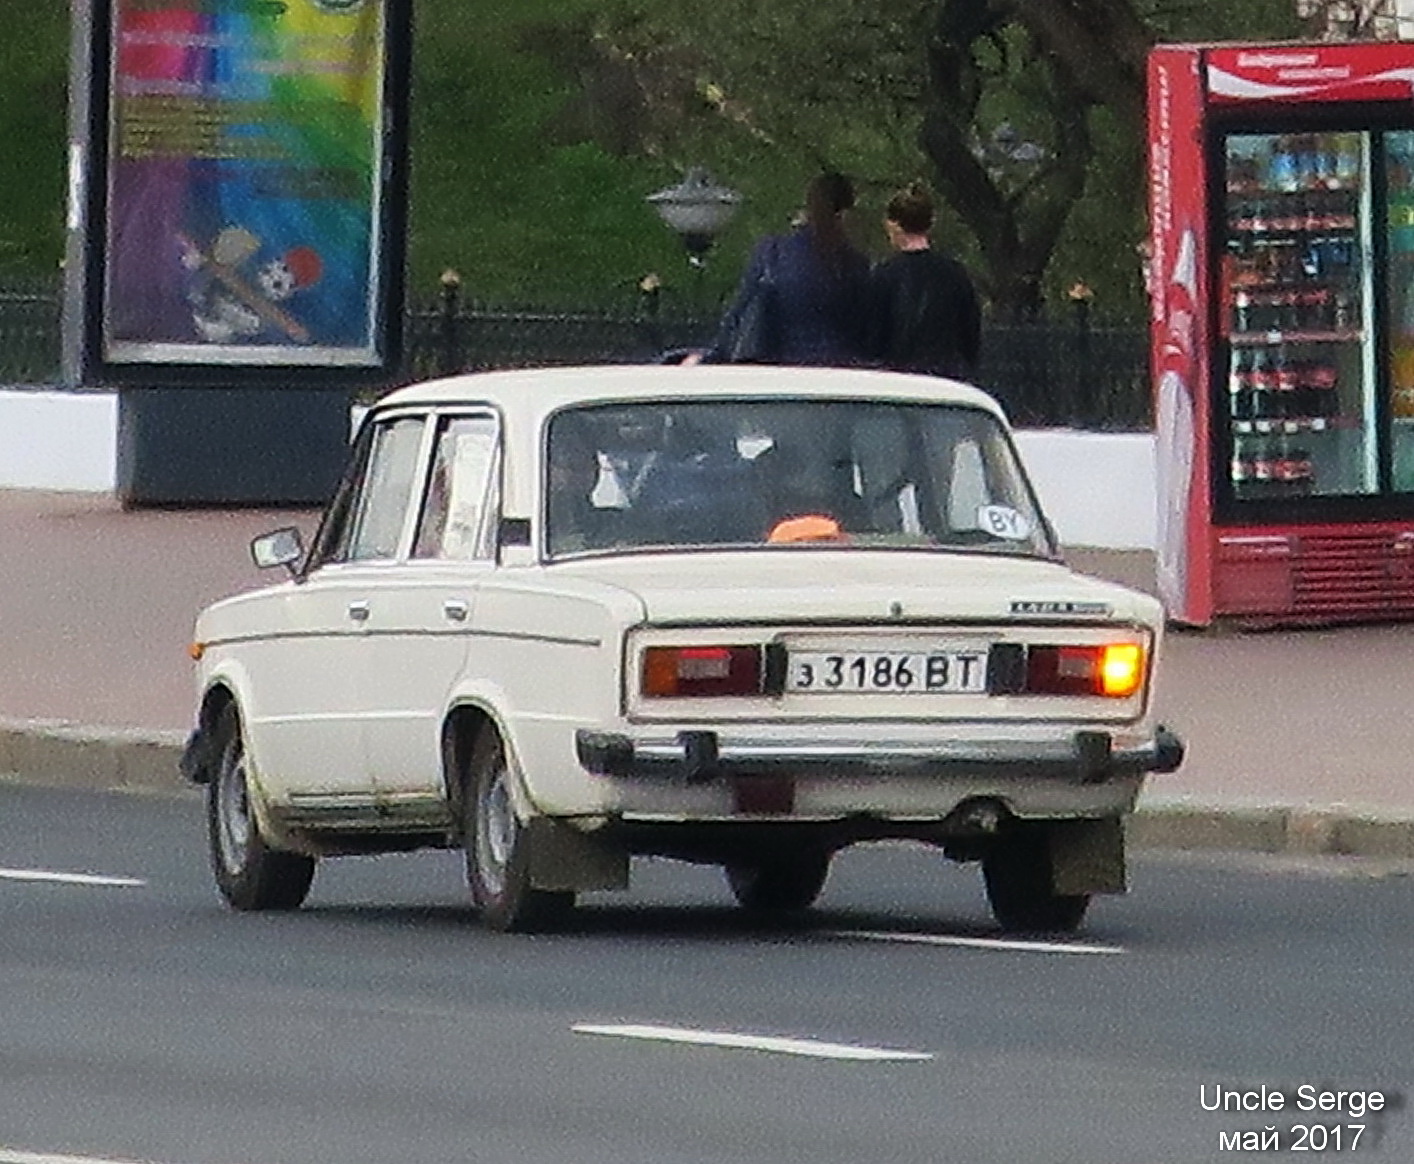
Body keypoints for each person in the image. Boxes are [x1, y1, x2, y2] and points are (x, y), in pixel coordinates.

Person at [696, 172, 871, 367]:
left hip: (783, 368)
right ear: (846, 213)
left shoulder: (774, 252)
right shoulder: (855, 263)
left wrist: (710, 359)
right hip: (841, 370)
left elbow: (739, 310)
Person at [865, 182, 982, 380]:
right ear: (930, 223)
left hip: (898, 382)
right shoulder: (956, 275)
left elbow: (873, 339)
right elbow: (970, 337)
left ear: (893, 224)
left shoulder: (883, 276)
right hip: (947, 381)